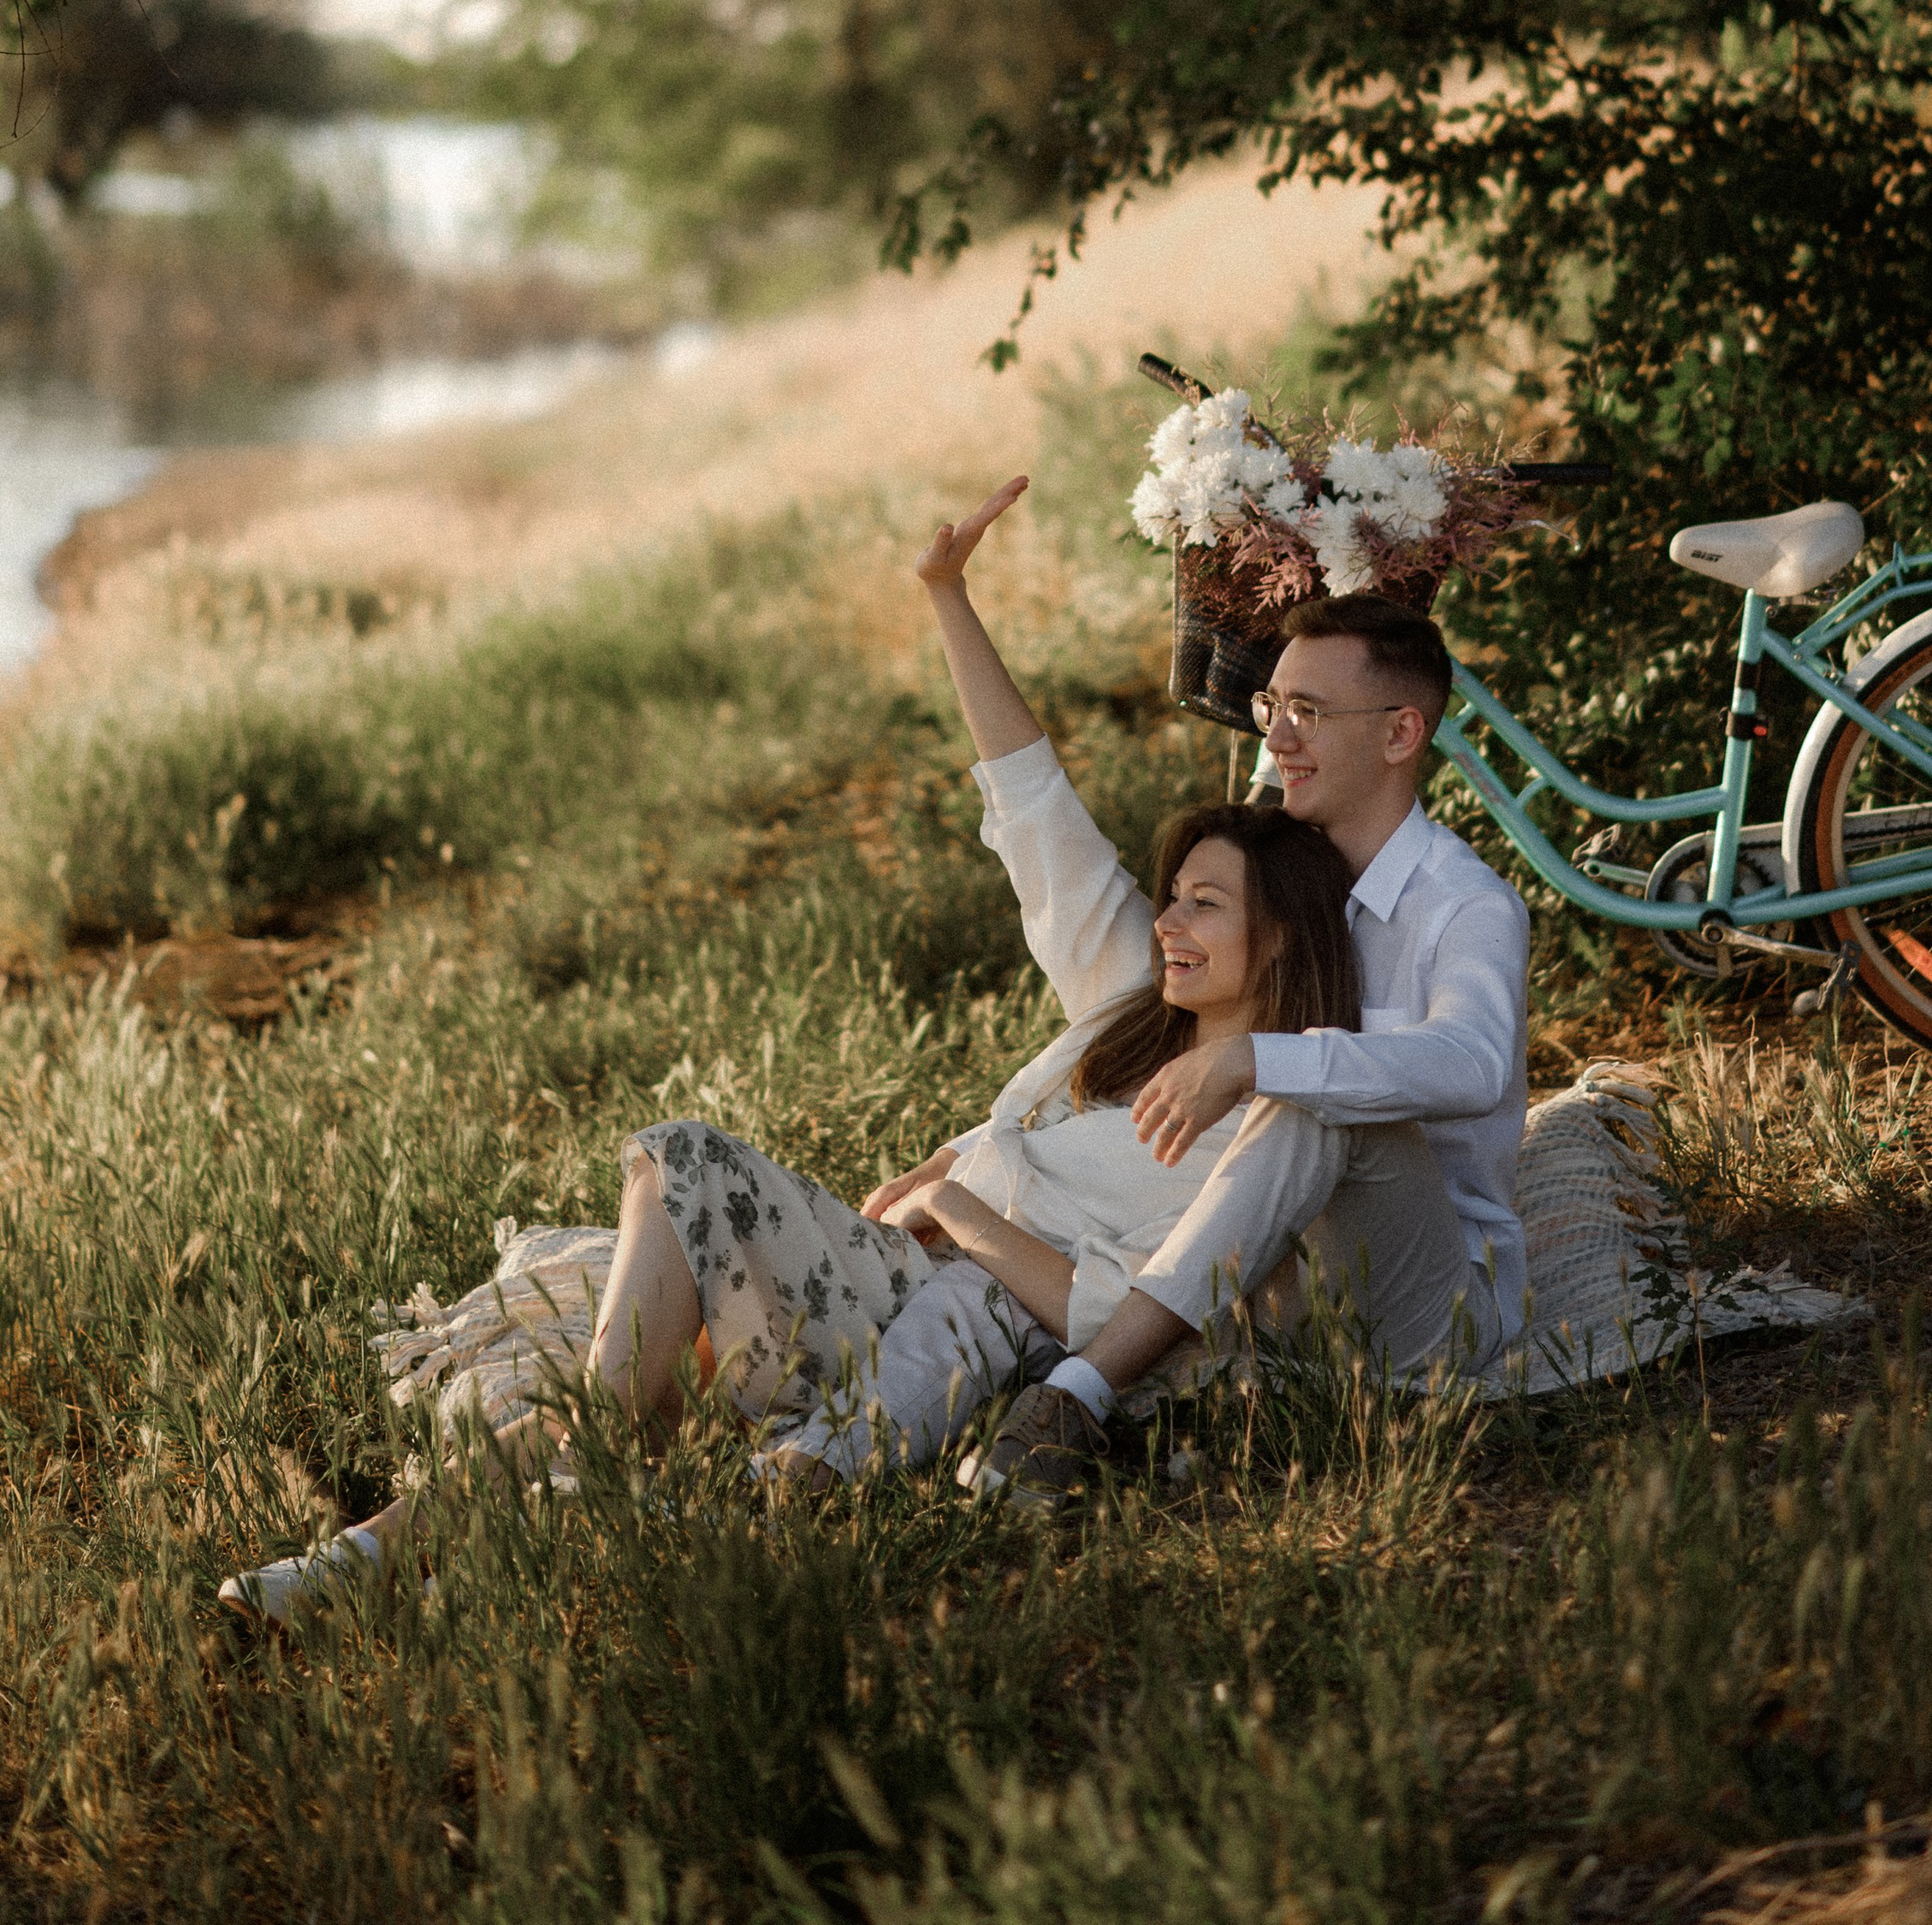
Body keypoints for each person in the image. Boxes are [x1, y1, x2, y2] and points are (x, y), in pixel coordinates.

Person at [218, 480, 1366, 1620]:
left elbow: (1127, 1320)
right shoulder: (1129, 995)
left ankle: (595, 1453)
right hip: (881, 1280)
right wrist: (945, 595)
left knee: (684, 1160)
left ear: (1282, 940)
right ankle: (358, 1559)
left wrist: (961, 1207)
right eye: (1174, 897)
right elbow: (1034, 805)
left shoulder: (1268, 1128)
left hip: (954, 1335)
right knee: (640, 1260)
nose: (1168, 921)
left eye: (1205, 906)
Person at [946, 487, 1532, 1505]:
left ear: (1401, 735)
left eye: (1306, 713)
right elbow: (1052, 849)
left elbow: (1472, 1064)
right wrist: (949, 600)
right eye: (1273, 707)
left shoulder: (1464, 908)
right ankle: (1146, 1394)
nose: (1277, 737)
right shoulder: (1255, 889)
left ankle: (1076, 1398)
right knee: (1156, 994)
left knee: (1324, 1098)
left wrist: (1258, 1058)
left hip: (1417, 1303)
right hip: (1258, 1297)